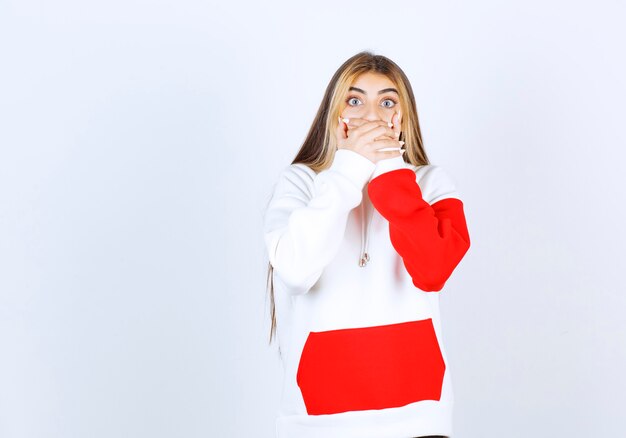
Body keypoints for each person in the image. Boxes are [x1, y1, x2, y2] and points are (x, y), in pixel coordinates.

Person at [262, 51, 471, 438]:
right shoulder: (301, 183)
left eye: (387, 102)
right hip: (318, 420)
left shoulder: (431, 184)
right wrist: (348, 169)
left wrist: (391, 168)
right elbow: (294, 271)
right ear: (335, 113)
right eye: (355, 100)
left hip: (419, 417)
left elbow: (434, 270)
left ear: (403, 119)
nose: (371, 115)